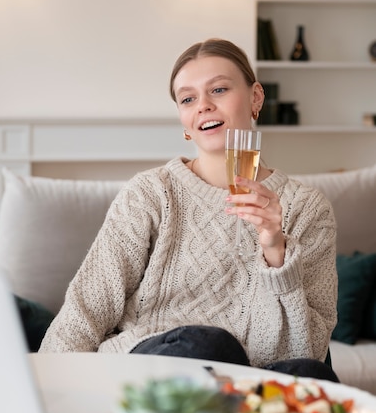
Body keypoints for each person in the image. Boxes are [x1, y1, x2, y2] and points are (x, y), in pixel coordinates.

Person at [40, 38, 339, 382]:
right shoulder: (152, 193)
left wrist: (275, 251)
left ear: (256, 97)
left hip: (251, 381)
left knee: (312, 373)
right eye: (188, 98)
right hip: (156, 365)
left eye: (219, 90)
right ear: (183, 119)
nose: (204, 106)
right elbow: (88, 305)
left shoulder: (307, 208)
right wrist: (45, 387)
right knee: (208, 345)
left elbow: (309, 349)